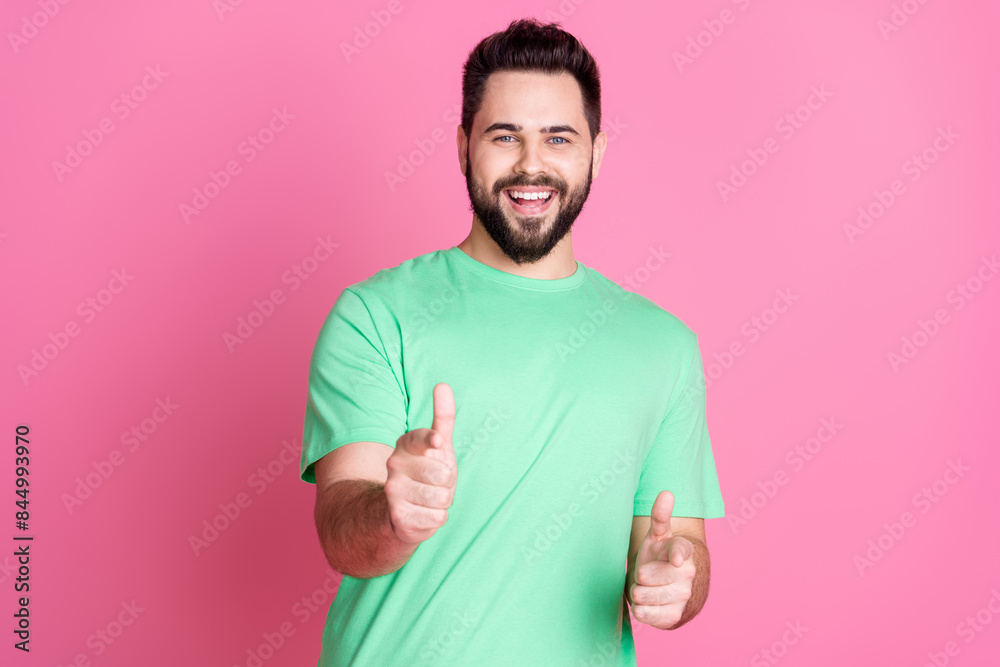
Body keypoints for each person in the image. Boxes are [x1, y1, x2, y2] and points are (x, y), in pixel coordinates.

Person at [299, 17, 725, 666]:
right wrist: (392, 513)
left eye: (559, 138)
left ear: (597, 153)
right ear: (464, 146)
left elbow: (677, 544)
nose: (532, 164)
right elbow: (341, 531)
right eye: (505, 136)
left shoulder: (664, 346)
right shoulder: (374, 315)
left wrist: (677, 577)